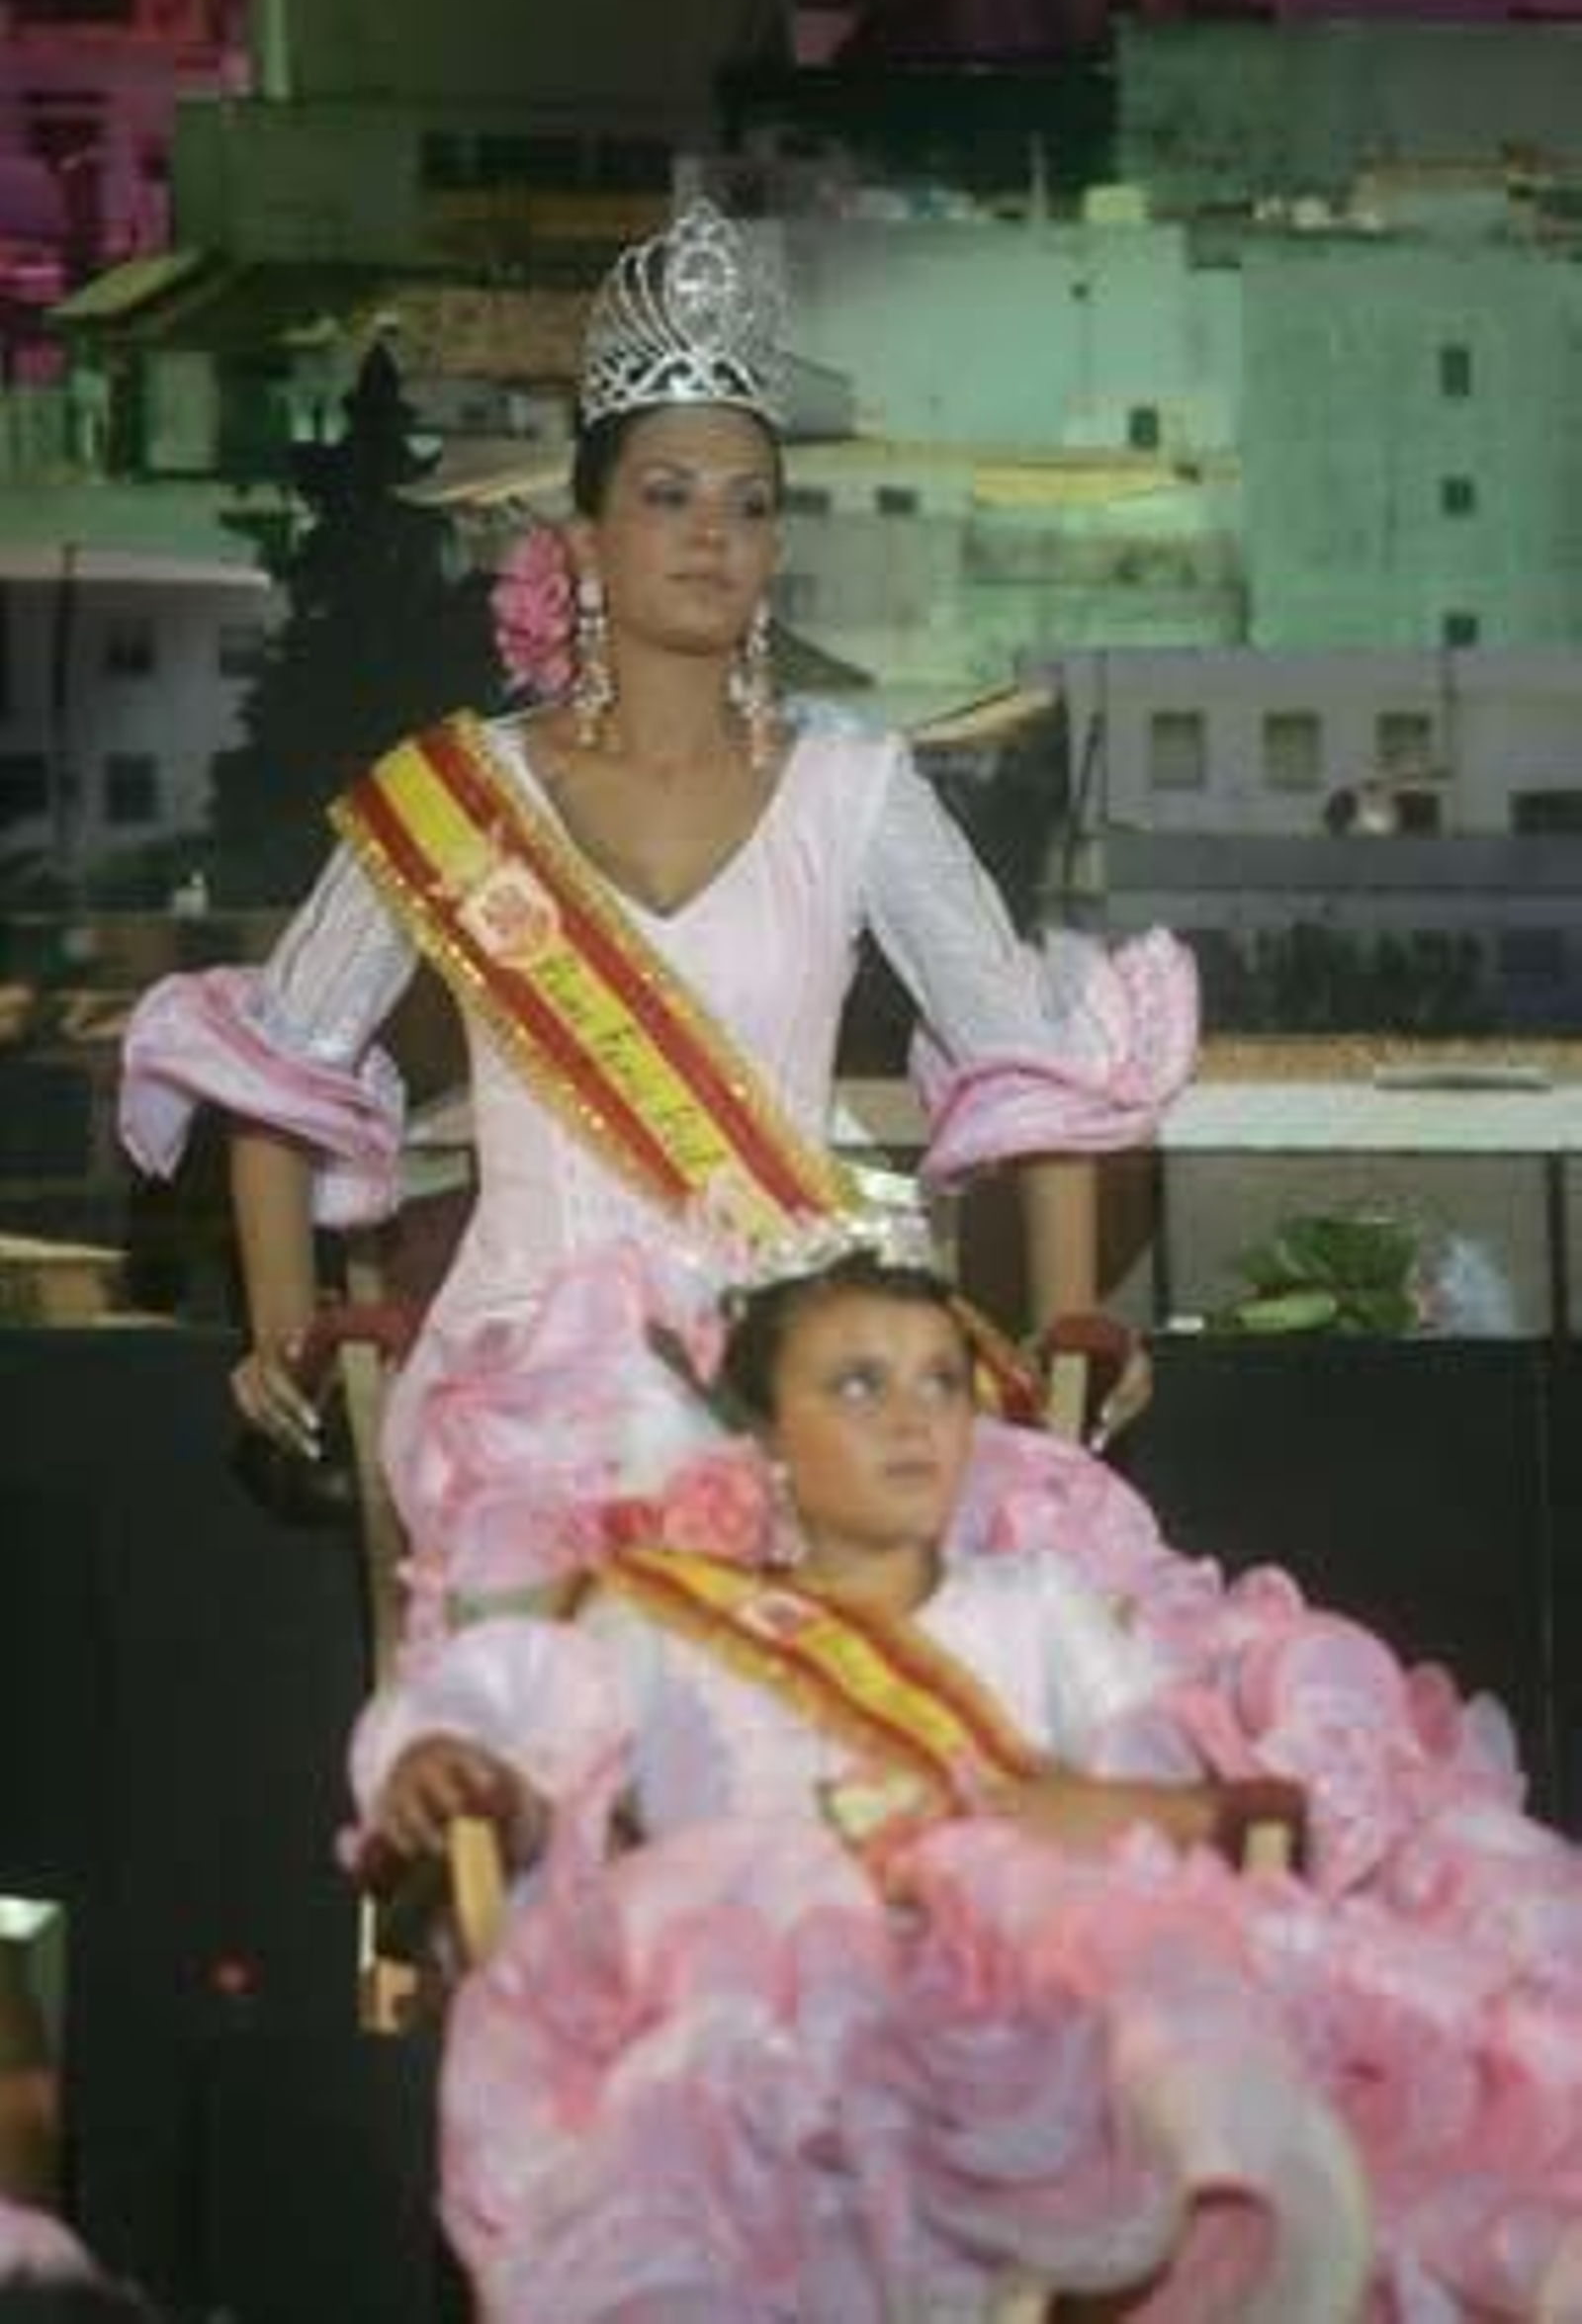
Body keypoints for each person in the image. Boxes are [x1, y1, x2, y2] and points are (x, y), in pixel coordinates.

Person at [118, 198, 1196, 1651]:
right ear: (585, 533)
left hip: (796, 1371)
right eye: (670, 495)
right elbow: (280, 1061)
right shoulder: (454, 794)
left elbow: (1031, 1068)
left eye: (750, 505)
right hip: (523, 1390)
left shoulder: (856, 789)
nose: (713, 537)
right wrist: (279, 1324)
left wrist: (1075, 1329)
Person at [352, 1242, 1582, 2323]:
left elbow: (1174, 1785)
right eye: (858, 1385)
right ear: (767, 1442)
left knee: (1183, 1995)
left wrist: (1082, 1814)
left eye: (940, 1383)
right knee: (757, 2037)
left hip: (1040, 1972)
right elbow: (520, 1722)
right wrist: (462, 1772)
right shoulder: (667, 1619)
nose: (911, 1420)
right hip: (773, 1994)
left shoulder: (1037, 1607)